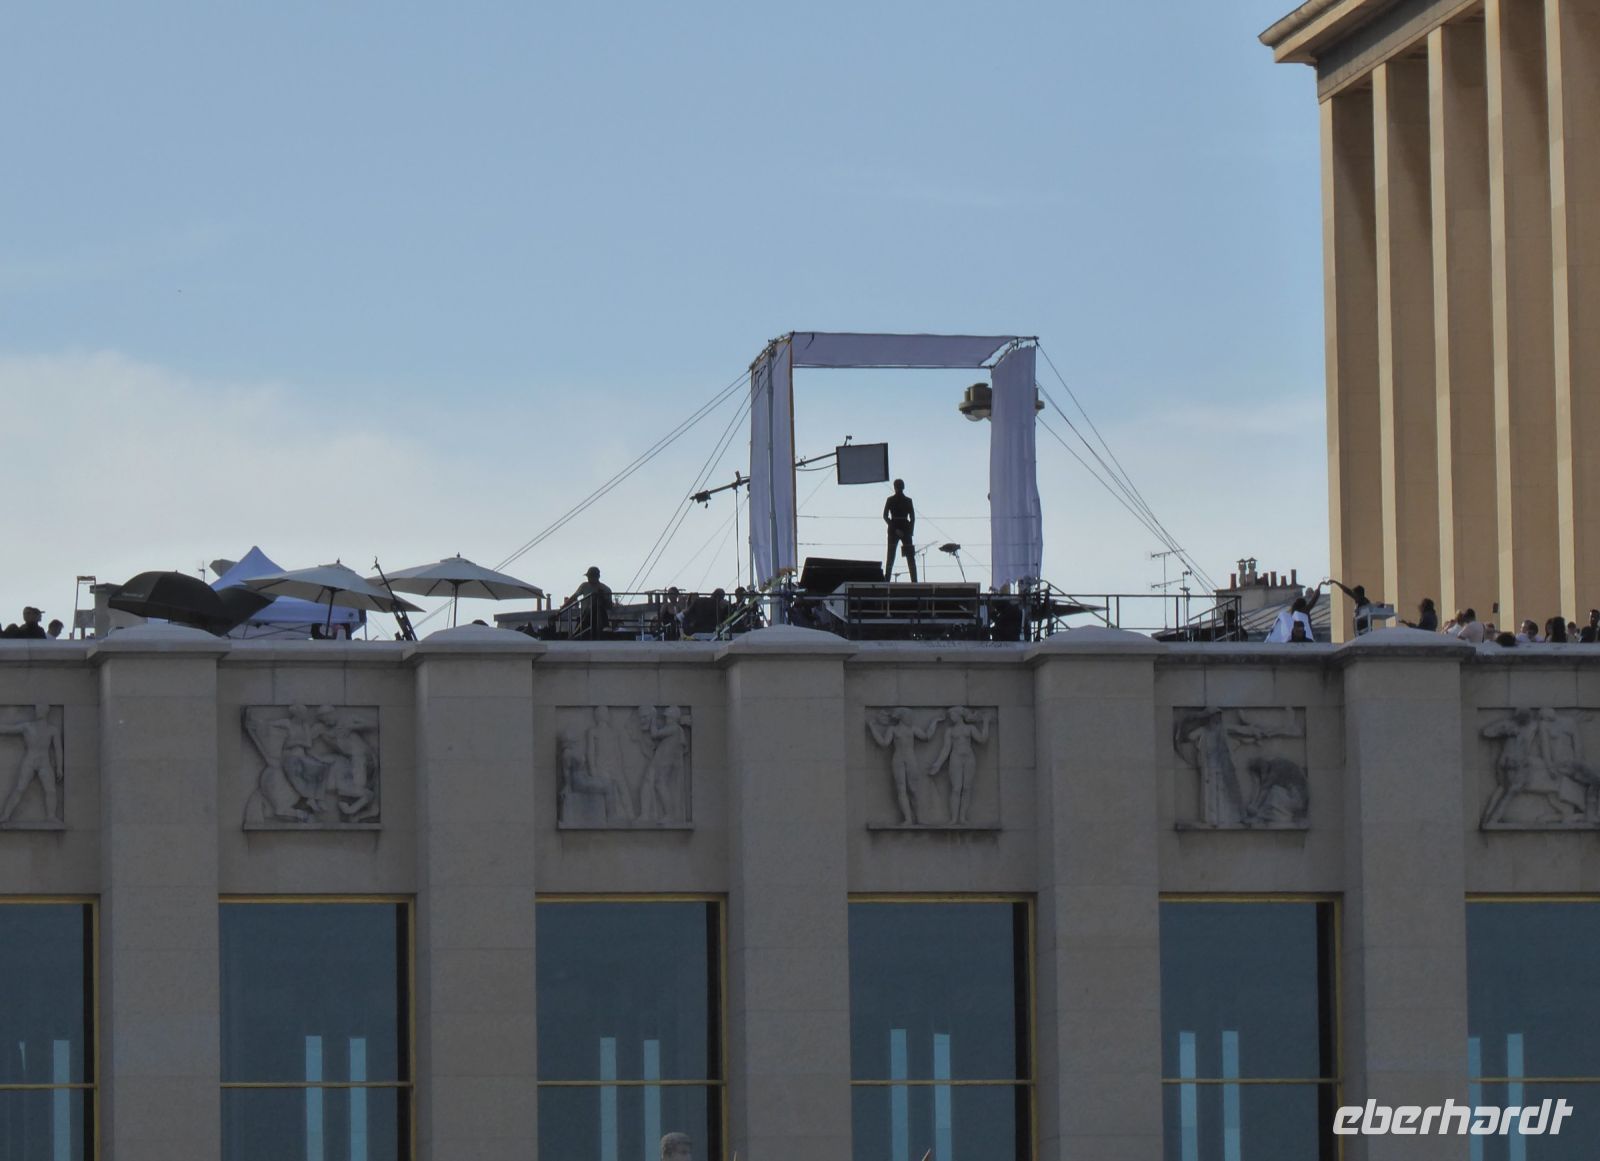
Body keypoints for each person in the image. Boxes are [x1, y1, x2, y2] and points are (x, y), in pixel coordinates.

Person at [882, 478, 917, 582]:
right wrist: (908, 531)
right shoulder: (896, 500)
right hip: (900, 528)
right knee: (898, 557)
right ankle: (914, 581)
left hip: (898, 528)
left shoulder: (901, 500)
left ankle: (888, 580)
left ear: (895, 487)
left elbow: (885, 516)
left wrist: (907, 532)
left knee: (893, 557)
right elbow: (913, 518)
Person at [566, 566, 613, 640]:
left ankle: (605, 627)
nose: (589, 579)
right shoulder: (584, 586)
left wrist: (602, 598)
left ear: (597, 577)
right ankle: (575, 634)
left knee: (597, 606)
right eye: (588, 576)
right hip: (585, 615)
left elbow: (610, 606)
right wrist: (562, 608)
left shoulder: (605, 589)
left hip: (600, 617)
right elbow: (574, 597)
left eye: (591, 577)